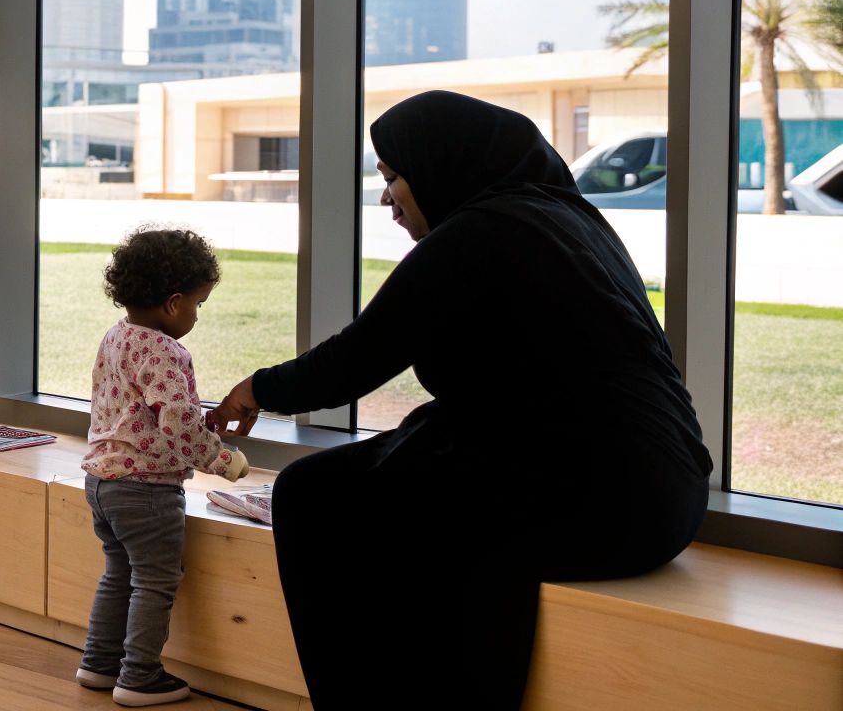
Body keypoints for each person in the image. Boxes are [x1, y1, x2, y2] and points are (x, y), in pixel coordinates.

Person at [206, 91, 712, 710]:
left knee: (314, 498)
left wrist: (255, 389)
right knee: (368, 473)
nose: (387, 198)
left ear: (444, 162)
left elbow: (356, 359)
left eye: (394, 177)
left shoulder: (480, 232)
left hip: (599, 503)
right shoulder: (568, 220)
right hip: (665, 495)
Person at [78, 227, 251, 707]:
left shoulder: (117, 336)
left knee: (118, 573)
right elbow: (176, 422)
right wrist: (223, 460)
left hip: (101, 483)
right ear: (174, 303)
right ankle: (139, 675)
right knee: (155, 581)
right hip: (145, 491)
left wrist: (203, 420)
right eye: (199, 303)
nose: (197, 313)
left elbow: (146, 411)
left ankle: (98, 662)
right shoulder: (165, 350)